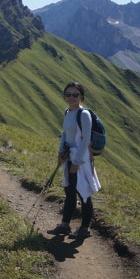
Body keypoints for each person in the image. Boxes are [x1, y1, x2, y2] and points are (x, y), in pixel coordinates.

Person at [48, 82, 101, 239]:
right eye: (68, 94)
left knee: (84, 193)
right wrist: (60, 153)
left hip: (81, 160)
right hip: (68, 156)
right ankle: (65, 225)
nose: (71, 97)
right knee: (70, 192)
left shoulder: (83, 114)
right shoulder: (68, 112)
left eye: (75, 94)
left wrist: (77, 163)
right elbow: (65, 134)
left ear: (81, 96)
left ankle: (85, 229)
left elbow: (85, 140)